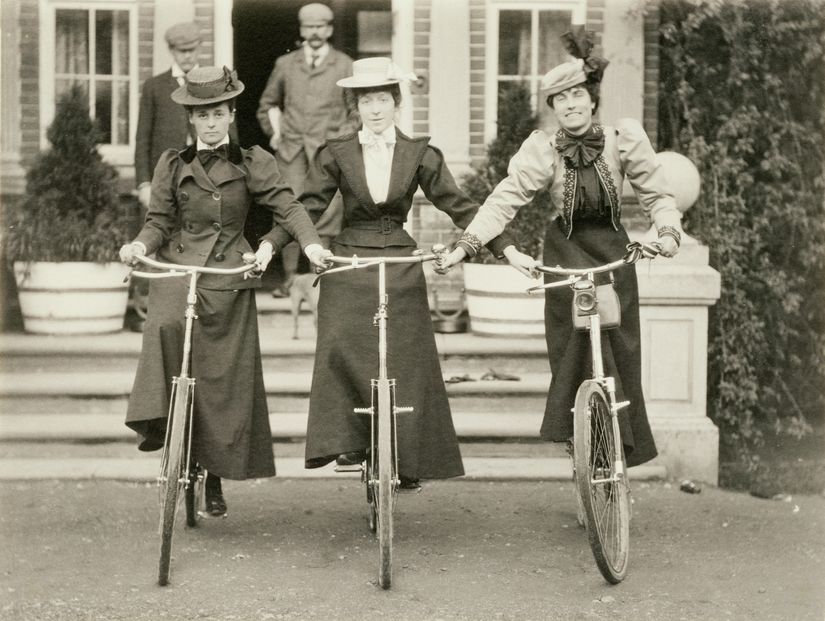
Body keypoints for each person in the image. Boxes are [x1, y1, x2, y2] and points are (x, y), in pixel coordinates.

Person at [439, 27, 683, 467]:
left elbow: (657, 195)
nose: (571, 105)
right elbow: (505, 198)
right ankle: (579, 430)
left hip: (613, 251)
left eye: (577, 96)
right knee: (574, 340)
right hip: (566, 250)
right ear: (552, 107)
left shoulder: (623, 138)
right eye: (561, 99)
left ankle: (619, 447)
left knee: (619, 349)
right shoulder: (543, 149)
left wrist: (665, 233)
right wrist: (466, 245)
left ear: (592, 99)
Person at [265, 57, 513, 488]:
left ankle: (408, 457)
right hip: (350, 258)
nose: (375, 109)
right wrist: (274, 244)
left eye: (382, 99)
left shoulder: (420, 153)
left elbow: (458, 204)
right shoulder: (336, 152)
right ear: (355, 106)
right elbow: (307, 207)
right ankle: (349, 440)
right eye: (366, 101)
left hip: (398, 256)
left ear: (396, 103)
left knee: (410, 355)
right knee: (339, 337)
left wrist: (503, 245)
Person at [119, 66, 331, 516]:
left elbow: (288, 208)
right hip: (180, 266)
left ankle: (213, 474)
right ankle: (162, 426)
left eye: (218, 113)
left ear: (231, 114)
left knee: (221, 378)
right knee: (164, 326)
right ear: (191, 119)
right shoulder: (172, 163)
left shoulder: (253, 161)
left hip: (228, 273)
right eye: (202, 115)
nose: (211, 122)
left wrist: (309, 243)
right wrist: (139, 245)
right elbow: (158, 222)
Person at [255, 2, 354, 294]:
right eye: (309, 27)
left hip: (329, 153)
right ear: (301, 30)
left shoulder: (344, 64)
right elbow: (267, 105)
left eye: (320, 27)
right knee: (288, 211)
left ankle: (319, 278)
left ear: (329, 30)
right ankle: (288, 280)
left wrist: (341, 141)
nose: (314, 33)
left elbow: (354, 111)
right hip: (292, 152)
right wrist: (276, 133)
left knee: (328, 213)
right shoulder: (286, 65)